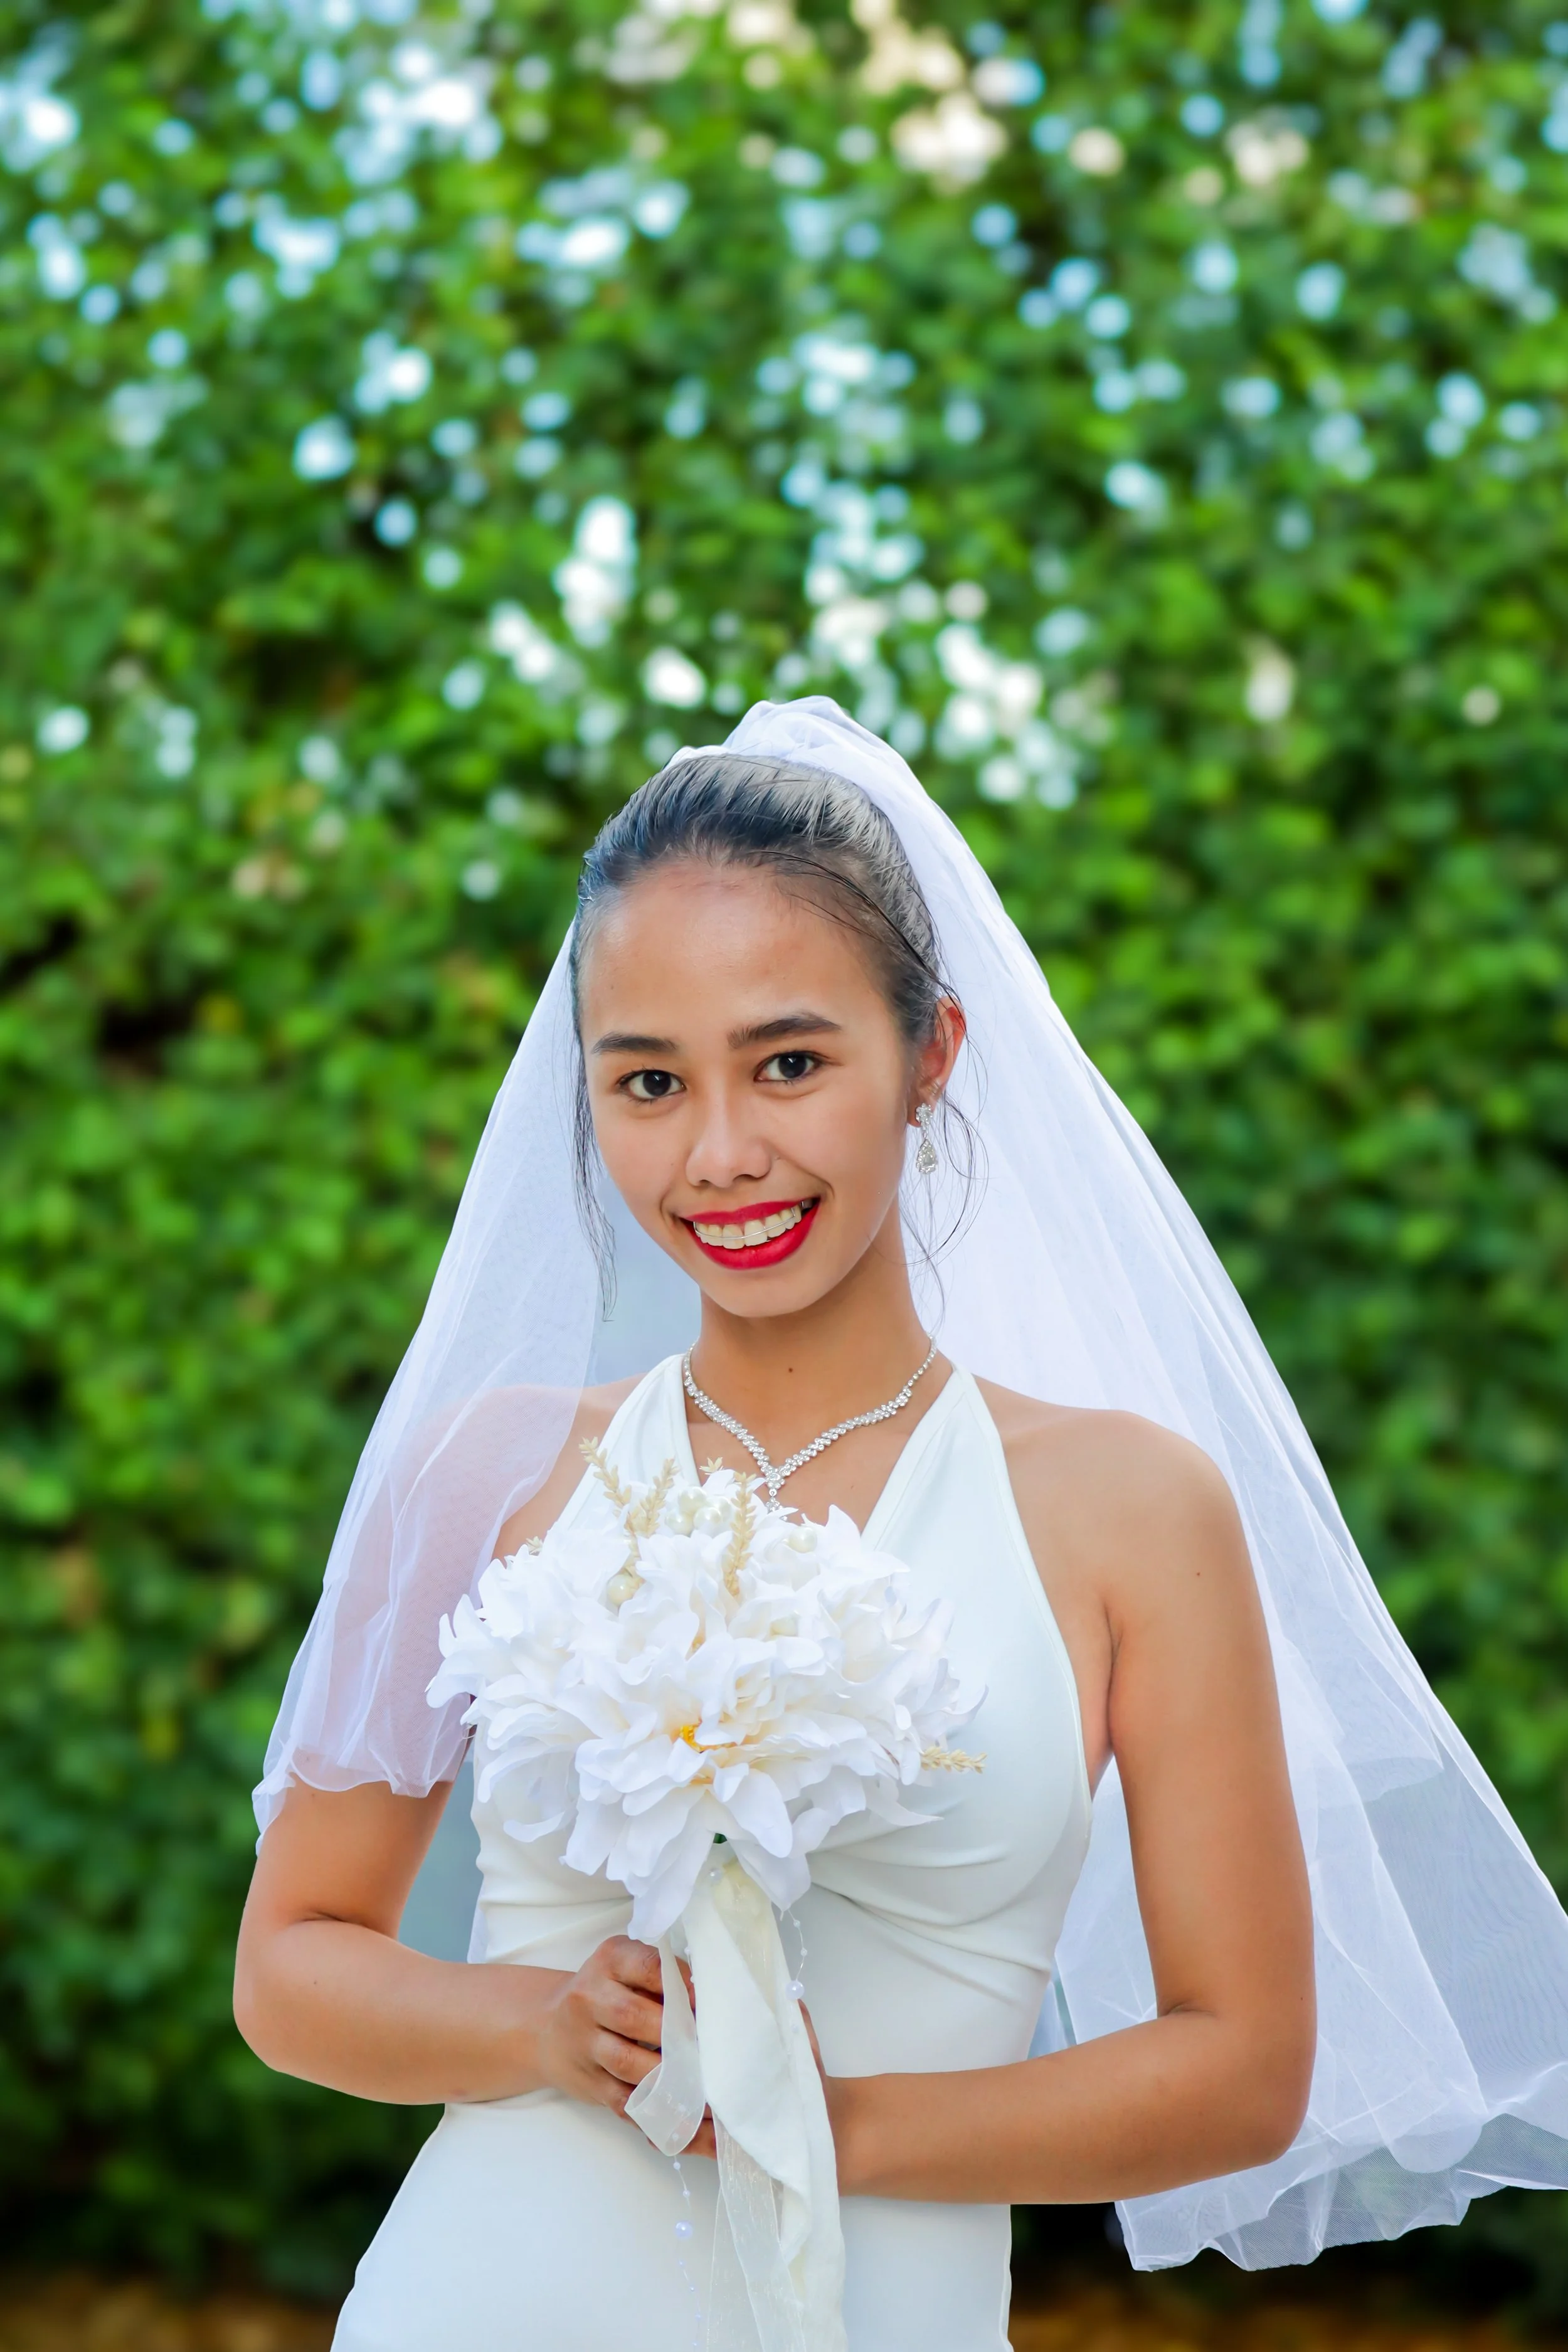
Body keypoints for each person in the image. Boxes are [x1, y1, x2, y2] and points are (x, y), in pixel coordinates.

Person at [235, 700, 1568, 2351]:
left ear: (929, 1051)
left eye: (789, 1060)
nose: (720, 1152)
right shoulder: (489, 1474)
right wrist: (542, 2024)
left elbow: (1238, 2060)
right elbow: (290, 1962)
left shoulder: (1128, 1508)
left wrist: (818, 2121)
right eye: (647, 1080)